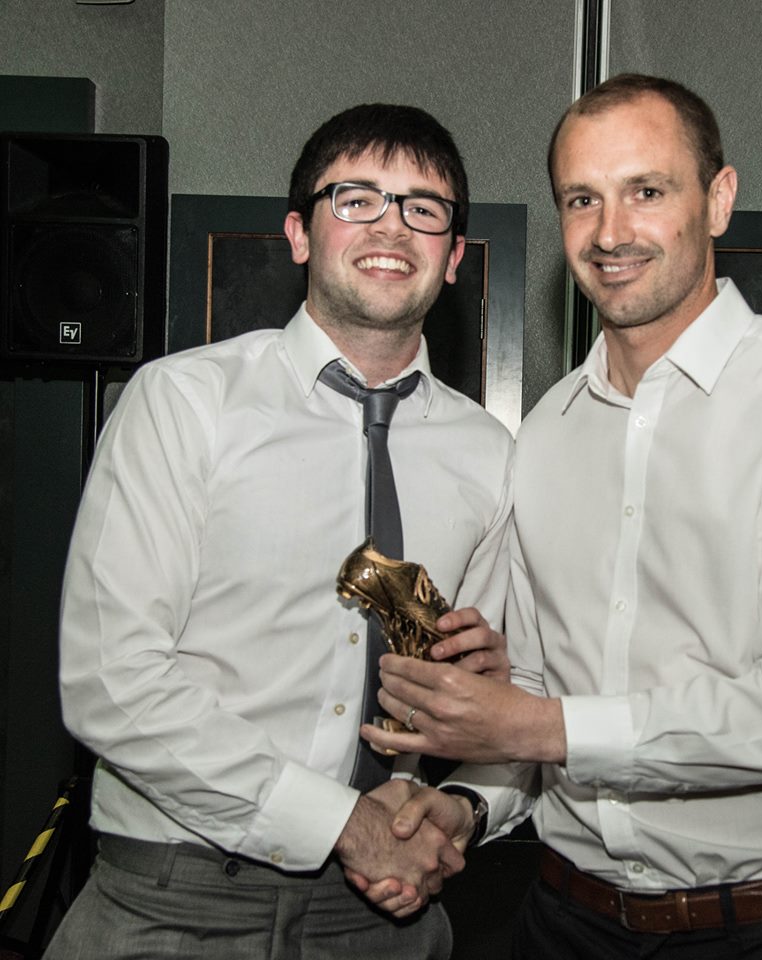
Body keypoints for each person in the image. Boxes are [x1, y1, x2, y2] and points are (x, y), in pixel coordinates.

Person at [360, 75, 762, 959]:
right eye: (582, 199)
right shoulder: (545, 432)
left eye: (646, 191)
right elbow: (532, 686)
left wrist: (534, 725)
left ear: (718, 200)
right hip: (564, 920)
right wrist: (462, 805)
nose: (610, 232)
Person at [46, 103, 514, 960]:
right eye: (356, 199)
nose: (391, 226)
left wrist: (465, 804)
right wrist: (339, 823)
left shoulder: (491, 454)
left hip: (387, 913)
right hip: (176, 900)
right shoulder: (184, 404)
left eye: (423, 208)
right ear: (300, 234)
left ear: (453, 257)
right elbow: (110, 680)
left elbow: (511, 690)